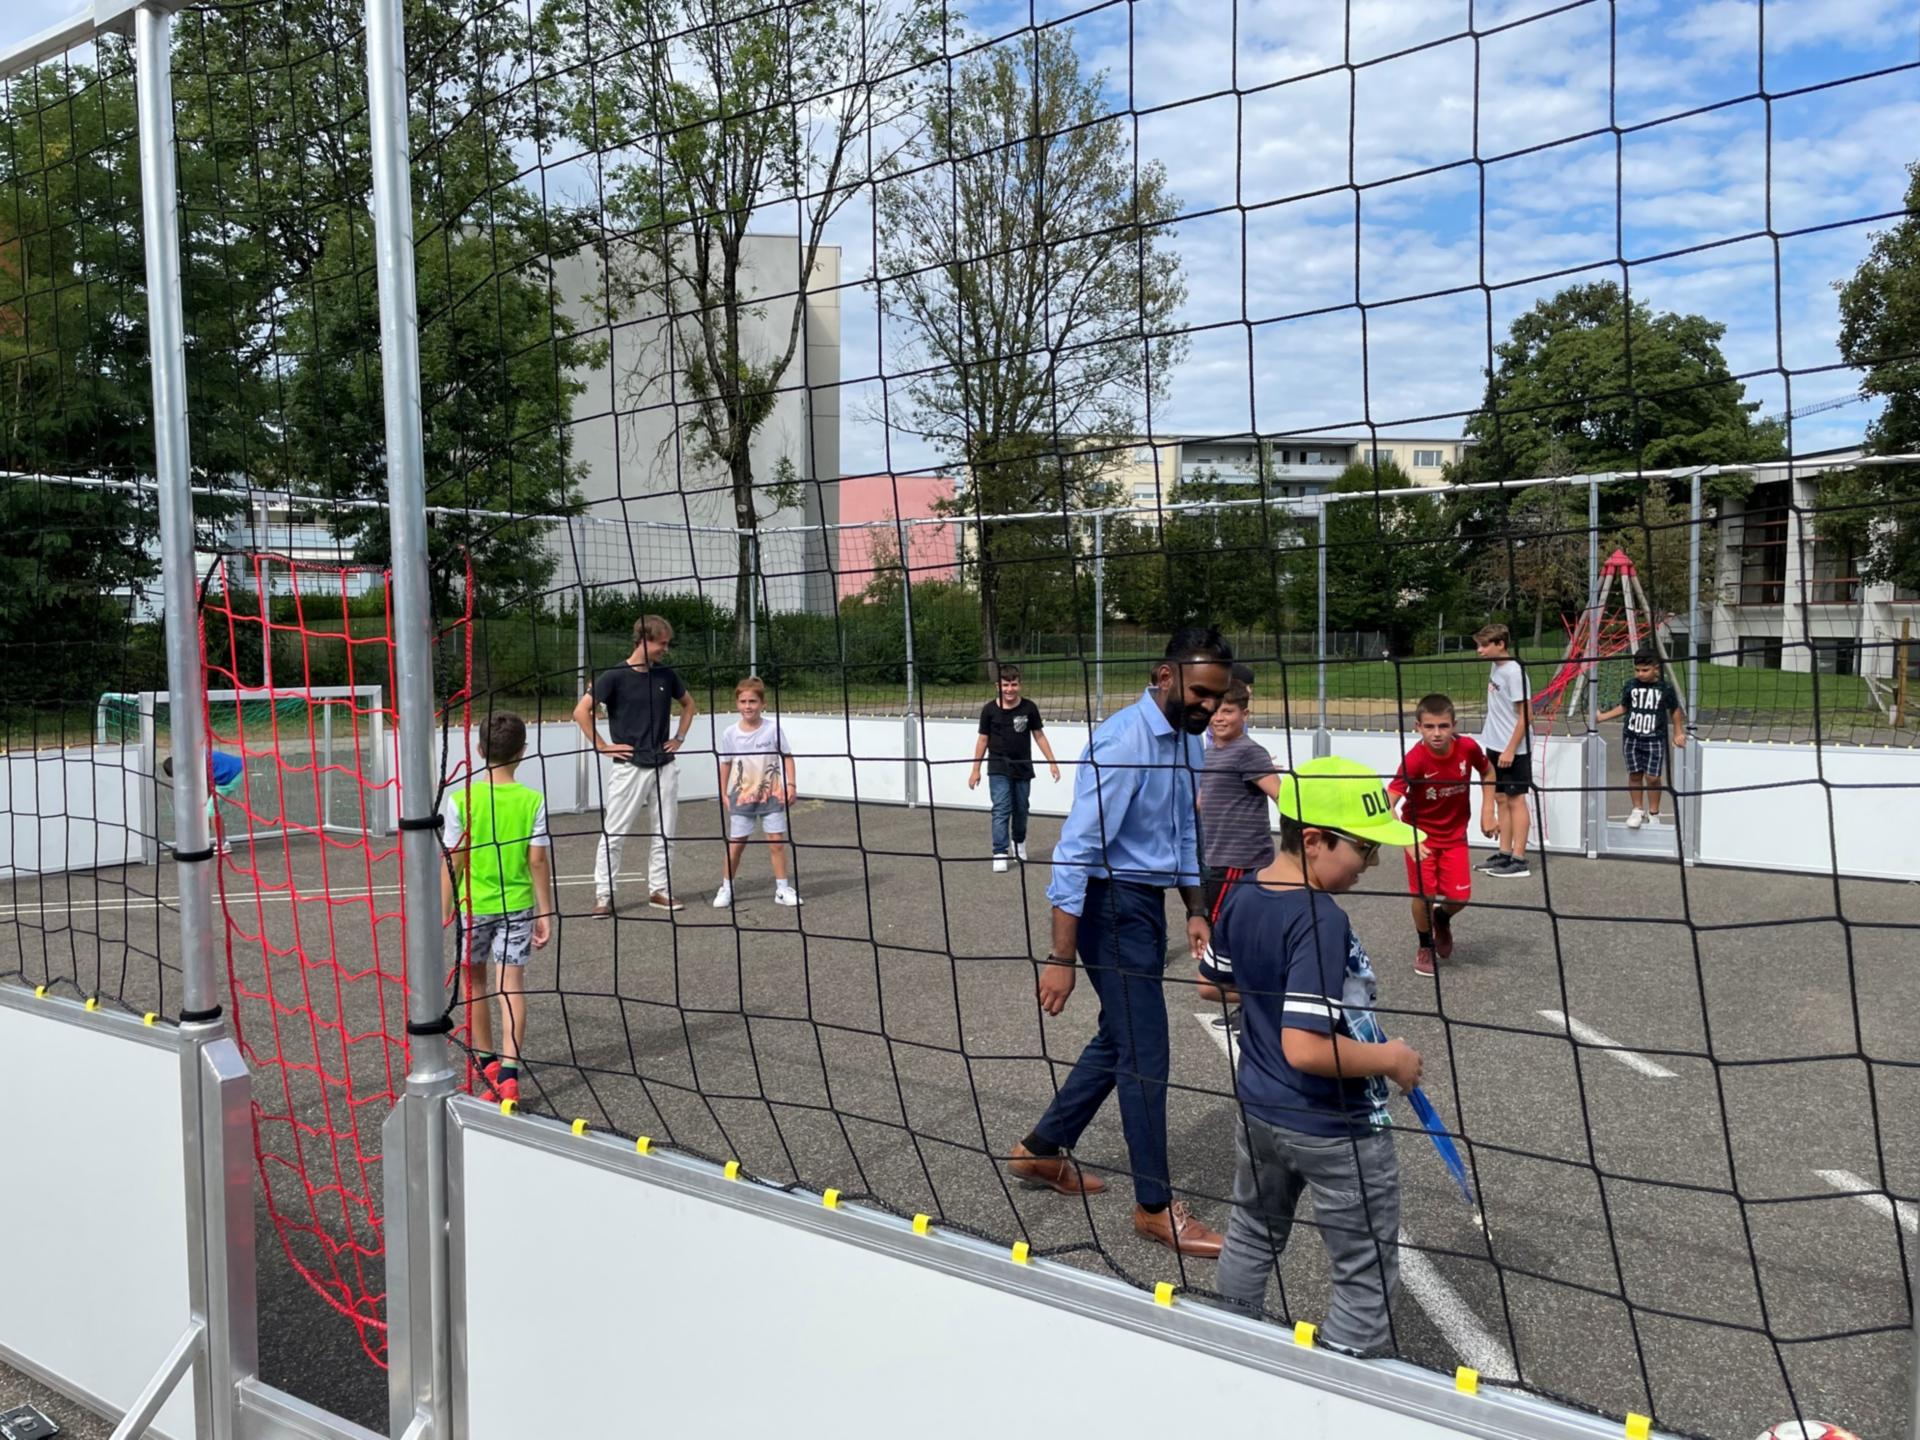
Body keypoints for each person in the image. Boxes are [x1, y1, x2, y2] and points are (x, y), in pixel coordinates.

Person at [1008, 628, 1234, 1258]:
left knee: (1121, 1039)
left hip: (1146, 906)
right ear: (1164, 676)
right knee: (1146, 1054)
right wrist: (1060, 958)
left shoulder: (1188, 739)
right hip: (1109, 907)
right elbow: (1074, 853)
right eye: (1200, 693)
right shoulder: (1123, 742)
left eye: (1217, 697)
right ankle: (1155, 1208)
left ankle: (1040, 1150)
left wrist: (1195, 908)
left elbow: (1183, 830)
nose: (1209, 707)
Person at [1207, 755, 1425, 1357]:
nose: (1371, 863)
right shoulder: (1321, 918)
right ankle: (1346, 1378)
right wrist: (1392, 1059)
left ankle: (1226, 1348)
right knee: (1363, 1270)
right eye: (1364, 848)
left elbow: (1209, 981)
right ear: (1312, 840)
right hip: (1335, 1127)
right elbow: (1304, 1048)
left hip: (1259, 1112)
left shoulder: (1244, 890)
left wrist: (1269, 985)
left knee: (1251, 1231)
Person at [440, 713, 555, 1106]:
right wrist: (545, 911)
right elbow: (537, 860)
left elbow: (454, 859)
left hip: (474, 908)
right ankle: (508, 1073)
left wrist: (444, 908)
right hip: (517, 906)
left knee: (474, 984)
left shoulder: (462, 799)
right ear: (523, 752)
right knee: (512, 986)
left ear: (478, 750)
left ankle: (486, 1062)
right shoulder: (532, 800)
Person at [575, 614, 697, 914]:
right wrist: (602, 745)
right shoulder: (614, 676)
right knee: (614, 833)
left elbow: (689, 705)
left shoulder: (666, 675)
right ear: (643, 640)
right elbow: (581, 711)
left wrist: (679, 737)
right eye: (661, 643)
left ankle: (659, 891)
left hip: (664, 765)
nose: (665, 649)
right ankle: (604, 896)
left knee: (665, 832)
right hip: (629, 767)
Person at [1194, 679, 1281, 1029]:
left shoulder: (1248, 751)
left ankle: (1259, 1004)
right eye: (1215, 711)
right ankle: (1253, 1006)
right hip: (1215, 858)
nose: (1219, 718)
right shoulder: (1209, 751)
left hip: (1240, 861)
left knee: (1231, 936)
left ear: (1245, 714)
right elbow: (1204, 800)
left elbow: (1279, 794)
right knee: (1231, 935)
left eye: (1228, 711)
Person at [1388, 694, 1494, 977]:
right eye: (1429, 727)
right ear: (1418, 727)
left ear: (1454, 726)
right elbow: (1389, 802)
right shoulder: (1414, 760)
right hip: (1421, 838)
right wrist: (1407, 839)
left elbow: (1488, 772)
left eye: (1443, 726)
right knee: (1424, 895)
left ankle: (1441, 917)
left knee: (1460, 897)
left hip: (1454, 837)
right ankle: (1425, 945)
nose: (1437, 733)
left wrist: (1488, 811)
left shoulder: (1468, 748)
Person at [712, 676, 802, 909]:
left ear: (763, 704)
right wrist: (723, 793)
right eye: (743, 701)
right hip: (742, 797)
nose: (748, 706)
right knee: (736, 844)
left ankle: (782, 889)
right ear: (737, 704)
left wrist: (791, 785)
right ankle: (726, 888)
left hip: (772, 795)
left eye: (752, 701)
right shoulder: (730, 733)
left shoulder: (773, 729)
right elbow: (725, 764)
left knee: (776, 843)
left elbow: (787, 757)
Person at [966, 664, 1061, 872]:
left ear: (1020, 685)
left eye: (1014, 684)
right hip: (998, 767)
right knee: (1001, 808)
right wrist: (975, 769)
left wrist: (1052, 762)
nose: (1009, 689)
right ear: (997, 686)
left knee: (1021, 808)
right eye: (1005, 685)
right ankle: (999, 852)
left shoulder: (1029, 708)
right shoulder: (989, 710)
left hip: (1022, 767)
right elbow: (983, 740)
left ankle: (1019, 842)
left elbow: (1039, 736)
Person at [1596, 646, 1687, 829]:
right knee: (1635, 774)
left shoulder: (1665, 688)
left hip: (1654, 738)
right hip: (1632, 737)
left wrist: (1678, 732)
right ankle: (1637, 809)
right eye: (1637, 670)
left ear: (1656, 668)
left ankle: (1654, 813)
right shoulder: (1631, 685)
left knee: (1652, 777)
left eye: (1645, 670)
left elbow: (1675, 710)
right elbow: (1624, 707)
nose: (1640, 674)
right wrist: (1603, 717)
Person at [1473, 622, 1533, 878]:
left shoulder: (1514, 673)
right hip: (1494, 744)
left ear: (1500, 644)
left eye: (1484, 645)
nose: (1479, 650)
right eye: (1479, 645)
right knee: (1500, 798)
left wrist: (1510, 750)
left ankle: (1519, 859)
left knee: (1516, 800)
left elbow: (1526, 715)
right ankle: (1504, 853)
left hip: (1514, 749)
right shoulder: (1496, 666)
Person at [162, 748, 246, 855]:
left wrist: (206, 802)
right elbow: (207, 784)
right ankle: (214, 840)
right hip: (234, 768)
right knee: (208, 807)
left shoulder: (195, 766)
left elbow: (207, 784)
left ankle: (223, 844)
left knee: (211, 809)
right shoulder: (191, 756)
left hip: (231, 775)